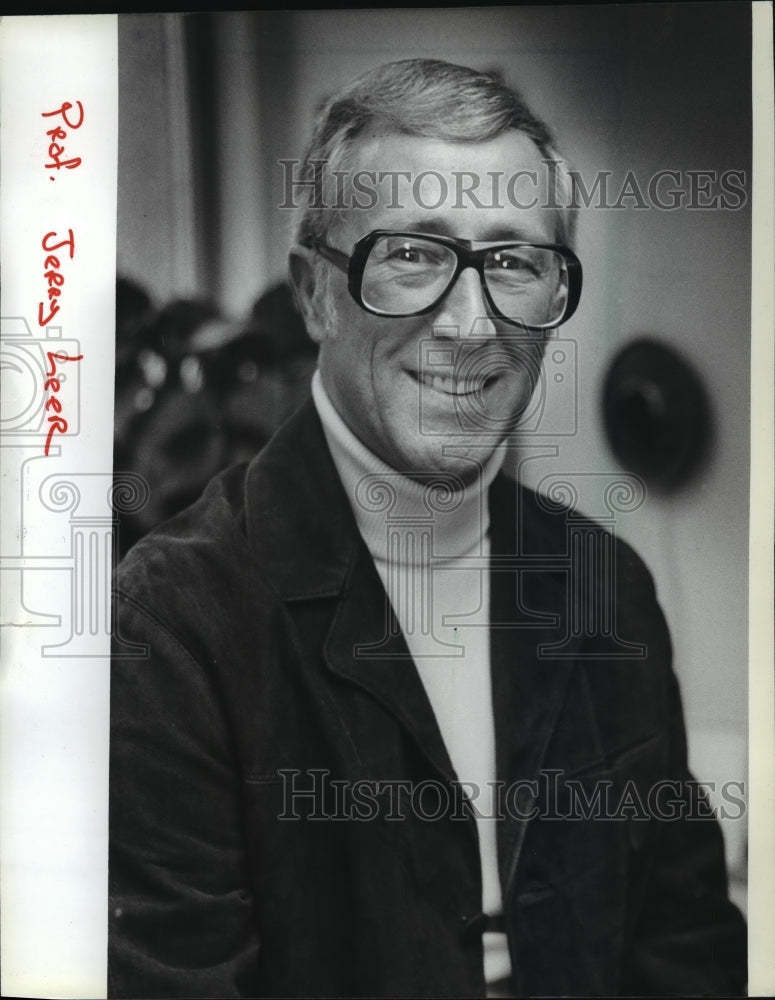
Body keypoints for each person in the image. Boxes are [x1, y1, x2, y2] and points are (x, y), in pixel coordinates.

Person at [109, 58, 746, 998]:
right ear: (314, 294)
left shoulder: (602, 584)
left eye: (514, 263)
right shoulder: (174, 619)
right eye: (411, 254)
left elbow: (686, 950)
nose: (469, 324)